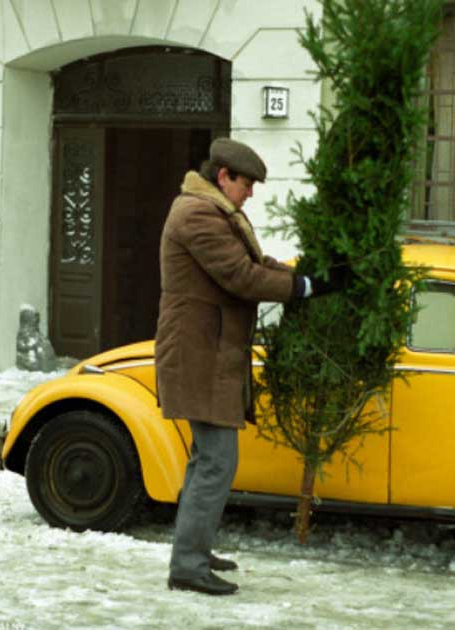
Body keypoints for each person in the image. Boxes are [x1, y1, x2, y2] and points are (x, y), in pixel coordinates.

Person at [155, 138, 334, 596]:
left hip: (208, 353)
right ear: (223, 176)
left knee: (207, 460)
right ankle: (188, 566)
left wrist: (301, 275)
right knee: (217, 462)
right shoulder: (197, 215)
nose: (251, 193)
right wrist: (304, 289)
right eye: (247, 184)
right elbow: (242, 277)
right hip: (199, 356)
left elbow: (254, 262)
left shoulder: (216, 211)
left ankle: (194, 550)